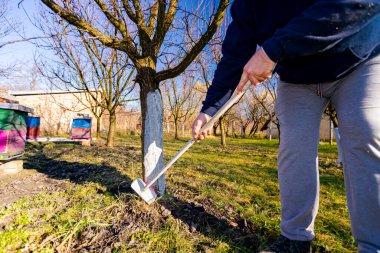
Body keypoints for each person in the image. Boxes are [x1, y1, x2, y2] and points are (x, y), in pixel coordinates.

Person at [191, 1, 380, 252]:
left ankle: (373, 245)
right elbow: (235, 56)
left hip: (358, 58)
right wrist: (210, 111)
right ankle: (295, 240)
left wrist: (271, 51)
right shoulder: (246, 6)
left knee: (365, 134)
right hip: (297, 78)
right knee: (294, 148)